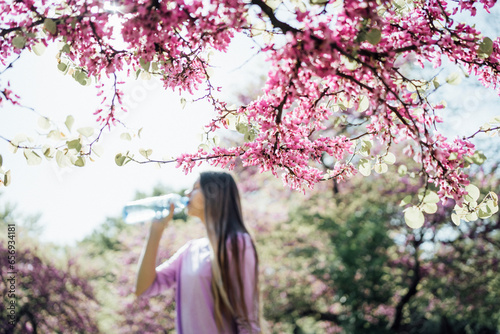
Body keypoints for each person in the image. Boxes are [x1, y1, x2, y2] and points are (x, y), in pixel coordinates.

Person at [134, 171, 261, 334]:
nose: (187, 193)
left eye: (195, 188)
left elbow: (247, 318)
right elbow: (144, 287)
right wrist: (156, 229)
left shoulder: (237, 243)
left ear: (214, 193)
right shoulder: (190, 250)